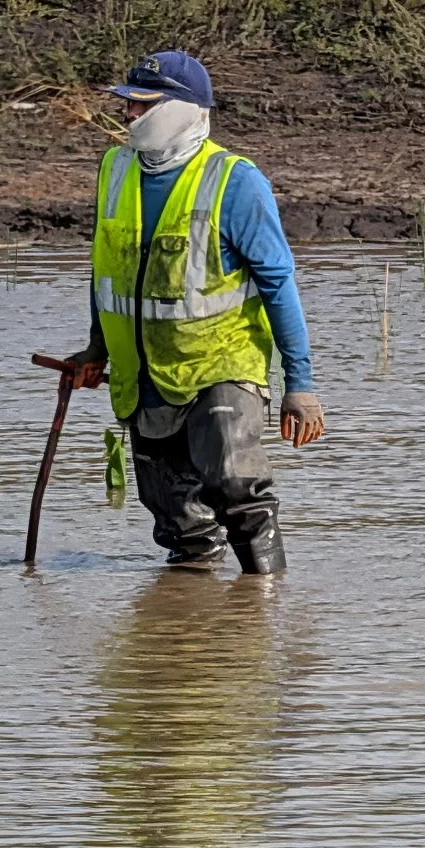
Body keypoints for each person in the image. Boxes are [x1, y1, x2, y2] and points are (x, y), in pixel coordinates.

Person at [70, 51, 324, 575]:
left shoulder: (235, 181)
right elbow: (107, 270)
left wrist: (300, 385)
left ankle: (265, 607)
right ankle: (190, 622)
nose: (130, 117)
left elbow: (278, 283)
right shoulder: (114, 170)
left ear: (184, 110)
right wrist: (97, 348)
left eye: (143, 106)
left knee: (237, 489)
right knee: (174, 515)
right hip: (144, 373)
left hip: (220, 364)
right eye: (128, 105)